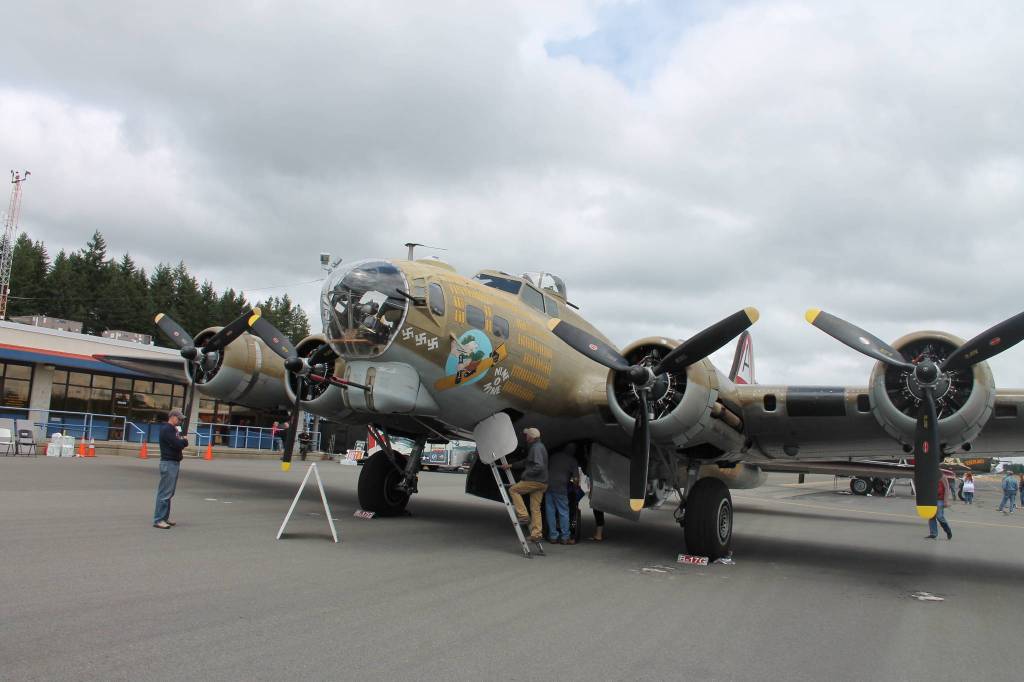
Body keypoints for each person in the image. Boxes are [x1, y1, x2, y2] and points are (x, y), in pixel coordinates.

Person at [500, 427, 548, 541]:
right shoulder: (539, 447)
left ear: (531, 437)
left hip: (535, 480)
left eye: (527, 435)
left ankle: (523, 516)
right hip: (543, 482)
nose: (525, 437)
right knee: (535, 508)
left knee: (513, 490)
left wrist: (526, 474)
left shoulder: (536, 448)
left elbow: (539, 466)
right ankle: (536, 534)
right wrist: (511, 465)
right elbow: (526, 462)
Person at [153, 408, 189, 529]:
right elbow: (177, 444)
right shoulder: (167, 429)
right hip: (169, 463)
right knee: (165, 492)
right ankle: (159, 519)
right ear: (172, 417)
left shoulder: (172, 429)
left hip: (173, 462)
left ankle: (164, 517)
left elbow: (178, 442)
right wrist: (184, 441)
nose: (180, 421)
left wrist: (182, 441)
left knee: (169, 492)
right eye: (179, 419)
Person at [544, 444, 580, 545]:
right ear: (573, 451)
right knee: (563, 511)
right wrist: (575, 487)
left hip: (548, 485)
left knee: (550, 511)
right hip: (560, 487)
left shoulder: (554, 456)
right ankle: (565, 537)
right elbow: (576, 479)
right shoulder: (572, 460)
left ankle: (553, 536)